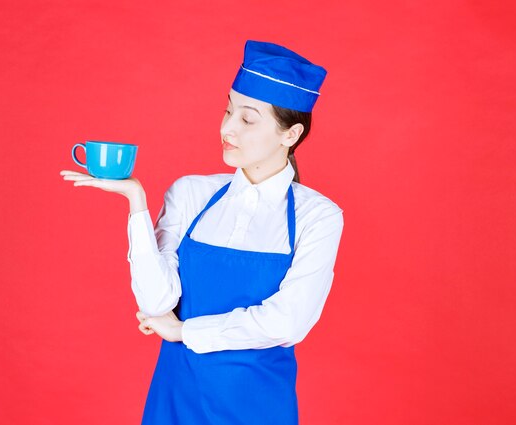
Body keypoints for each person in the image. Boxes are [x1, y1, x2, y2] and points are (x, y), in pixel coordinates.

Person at [61, 40, 343, 425]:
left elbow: (288, 321)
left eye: (247, 119)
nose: (227, 128)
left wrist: (182, 331)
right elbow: (157, 299)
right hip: (177, 396)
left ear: (290, 134)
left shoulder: (319, 216)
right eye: (227, 110)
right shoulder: (192, 192)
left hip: (258, 405)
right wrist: (136, 202)